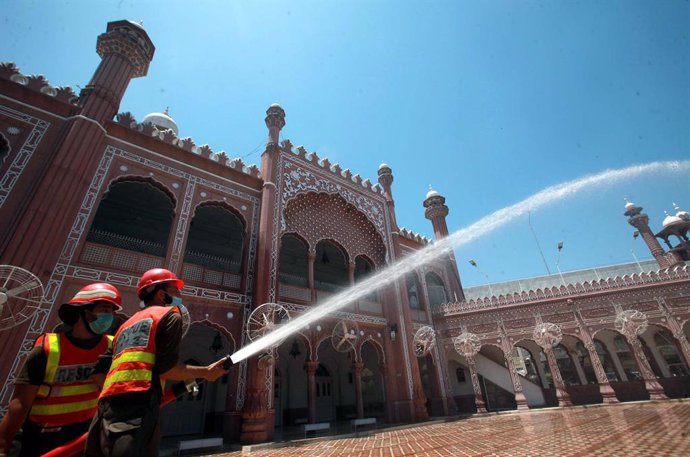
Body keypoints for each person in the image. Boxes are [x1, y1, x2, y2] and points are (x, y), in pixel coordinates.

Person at [84, 269, 229, 457]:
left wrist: (118, 392)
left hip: (105, 409)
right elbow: (167, 368)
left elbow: (98, 371)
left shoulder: (126, 324)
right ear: (162, 294)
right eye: (176, 292)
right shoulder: (169, 315)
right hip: (139, 409)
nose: (179, 297)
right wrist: (206, 372)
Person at [0, 283, 122, 457]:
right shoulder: (48, 348)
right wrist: (3, 446)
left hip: (82, 436)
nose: (110, 316)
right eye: (105, 309)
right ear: (85, 311)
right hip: (38, 437)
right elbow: (20, 403)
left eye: (112, 311)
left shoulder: (112, 346)